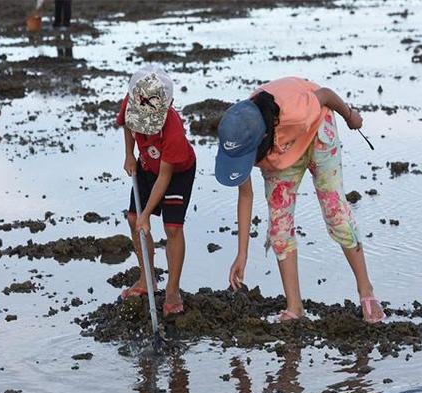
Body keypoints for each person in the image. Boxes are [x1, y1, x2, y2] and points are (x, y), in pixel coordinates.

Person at [214, 76, 385, 323]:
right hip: (279, 153)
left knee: (335, 212)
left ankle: (366, 291)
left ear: (261, 140)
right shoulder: (238, 136)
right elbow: (245, 194)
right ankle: (295, 307)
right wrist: (242, 255)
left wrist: (350, 117)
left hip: (316, 130)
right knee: (279, 225)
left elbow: (325, 94)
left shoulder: (294, 112)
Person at [116, 65, 196, 317]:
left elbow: (165, 177)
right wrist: (129, 155)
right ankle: (146, 279)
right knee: (132, 219)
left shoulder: (172, 129)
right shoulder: (131, 102)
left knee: (172, 227)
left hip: (176, 173)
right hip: (146, 166)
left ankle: (172, 291)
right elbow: (127, 125)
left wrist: (147, 214)